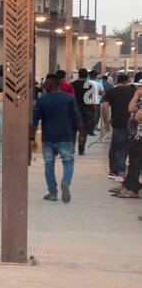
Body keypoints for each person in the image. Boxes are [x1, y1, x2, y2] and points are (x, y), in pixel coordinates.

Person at [32, 74, 82, 203]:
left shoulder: (42, 100)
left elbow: (35, 121)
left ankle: (52, 193)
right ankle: (65, 182)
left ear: (46, 86)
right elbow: (77, 117)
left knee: (49, 164)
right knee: (68, 161)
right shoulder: (69, 99)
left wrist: (31, 138)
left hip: (48, 137)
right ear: (59, 86)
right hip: (66, 136)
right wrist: (82, 133)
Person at [104, 72, 137, 181]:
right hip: (129, 123)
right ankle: (120, 172)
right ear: (127, 81)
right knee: (122, 148)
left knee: (115, 146)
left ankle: (113, 171)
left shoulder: (111, 92)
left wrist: (106, 123)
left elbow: (104, 107)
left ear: (117, 81)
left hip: (116, 122)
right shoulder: (132, 91)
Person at [110, 94, 142, 200]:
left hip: (139, 136)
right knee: (133, 162)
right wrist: (136, 96)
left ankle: (133, 189)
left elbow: (138, 116)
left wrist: (137, 96)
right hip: (136, 135)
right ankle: (128, 185)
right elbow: (130, 108)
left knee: (136, 163)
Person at [83, 70, 104, 141]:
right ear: (96, 76)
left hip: (86, 101)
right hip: (95, 101)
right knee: (94, 116)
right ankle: (91, 131)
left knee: (87, 115)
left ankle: (86, 129)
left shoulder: (86, 82)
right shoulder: (98, 83)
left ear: (89, 76)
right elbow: (102, 93)